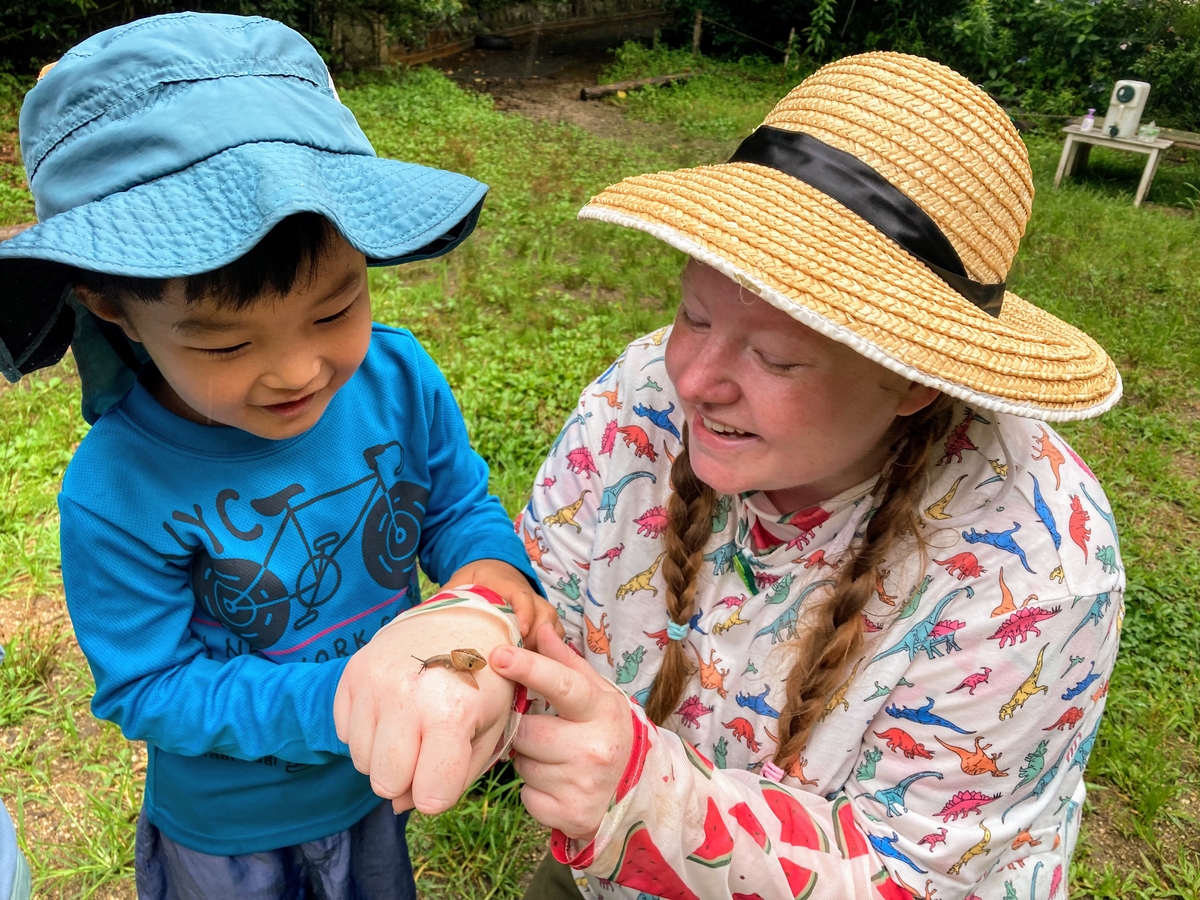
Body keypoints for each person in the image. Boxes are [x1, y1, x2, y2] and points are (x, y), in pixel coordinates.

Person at [489, 52, 1125, 899]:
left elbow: (910, 875)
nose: (694, 381)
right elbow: (541, 597)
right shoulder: (640, 397)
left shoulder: (1041, 567)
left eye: (777, 358)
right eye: (694, 313)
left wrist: (651, 794)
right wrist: (466, 631)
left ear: (911, 378)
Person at [0, 14, 556, 899]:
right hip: (231, 829)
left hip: (373, 789)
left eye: (336, 310)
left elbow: (456, 512)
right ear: (107, 303)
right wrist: (351, 698)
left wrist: (488, 595)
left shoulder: (398, 378)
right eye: (223, 346)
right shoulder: (116, 487)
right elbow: (148, 686)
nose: (298, 370)